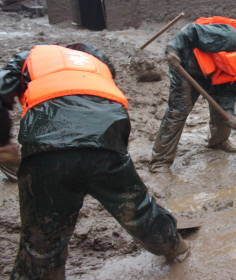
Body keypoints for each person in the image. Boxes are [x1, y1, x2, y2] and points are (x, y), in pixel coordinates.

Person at [0, 43, 189, 279]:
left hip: (46, 148)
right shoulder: (98, 62)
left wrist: (3, 141)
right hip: (106, 136)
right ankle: (175, 245)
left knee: (42, 241)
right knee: (137, 208)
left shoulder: (30, 57)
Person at [149, 16, 236, 172]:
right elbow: (191, 31)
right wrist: (173, 49)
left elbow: (229, 91)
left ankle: (219, 141)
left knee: (223, 111)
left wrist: (229, 114)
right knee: (179, 109)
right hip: (187, 65)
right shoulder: (231, 38)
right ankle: (160, 162)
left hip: (214, 73)